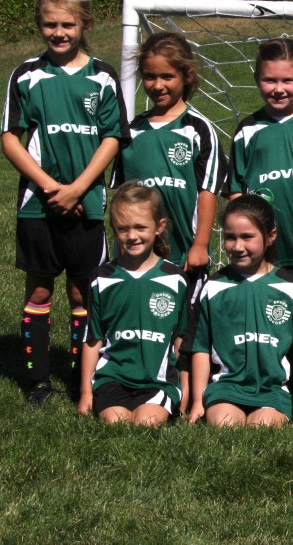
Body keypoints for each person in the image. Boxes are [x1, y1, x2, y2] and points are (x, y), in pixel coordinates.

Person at [0, 0, 129, 405]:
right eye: (50, 24)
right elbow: (10, 139)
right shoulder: (26, 75)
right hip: (38, 204)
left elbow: (112, 138)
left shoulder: (102, 76)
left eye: (67, 25)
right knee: (39, 290)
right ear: (40, 25)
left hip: (87, 203)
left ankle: (80, 379)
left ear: (85, 24)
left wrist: (76, 189)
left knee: (82, 293)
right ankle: (37, 381)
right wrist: (50, 186)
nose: (58, 33)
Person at [111, 32, 227, 410]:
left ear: (186, 76)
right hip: (138, 253)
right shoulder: (131, 132)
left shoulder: (199, 129)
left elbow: (208, 190)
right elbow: (119, 194)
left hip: (185, 251)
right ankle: (137, 382)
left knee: (187, 327)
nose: (157, 85)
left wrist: (200, 244)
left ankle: (190, 396)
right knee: (143, 317)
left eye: (167, 76)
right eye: (149, 76)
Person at [227, 38, 293, 291]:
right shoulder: (248, 130)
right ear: (257, 79)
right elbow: (236, 192)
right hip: (261, 256)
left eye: (287, 80)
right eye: (269, 80)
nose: (278, 89)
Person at [76, 183, 187, 426]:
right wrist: (85, 393)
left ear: (159, 227)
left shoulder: (175, 279)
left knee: (146, 422)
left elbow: (182, 340)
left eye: (140, 227)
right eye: (123, 229)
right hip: (112, 378)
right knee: (114, 422)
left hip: (157, 381)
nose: (132, 236)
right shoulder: (102, 278)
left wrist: (186, 391)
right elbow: (93, 339)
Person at [188, 195, 293, 427]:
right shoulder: (214, 287)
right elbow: (200, 348)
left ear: (271, 236)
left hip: (273, 391)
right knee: (224, 424)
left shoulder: (289, 288)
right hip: (226, 388)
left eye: (247, 237)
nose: (237, 247)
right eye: (230, 237)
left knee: (262, 426)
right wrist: (198, 401)